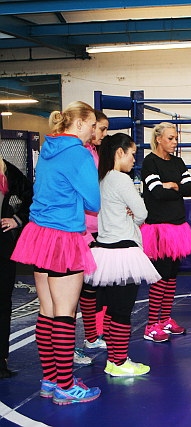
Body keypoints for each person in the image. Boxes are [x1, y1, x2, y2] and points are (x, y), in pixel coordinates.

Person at [11, 101, 102, 404]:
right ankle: (65, 385)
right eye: (91, 126)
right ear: (79, 124)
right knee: (65, 314)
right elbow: (93, 201)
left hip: (38, 234)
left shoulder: (49, 147)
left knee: (47, 312)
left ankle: (50, 380)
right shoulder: (79, 153)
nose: (93, 132)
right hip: (63, 235)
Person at [85, 133, 159, 377]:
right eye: (132, 154)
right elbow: (142, 212)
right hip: (123, 251)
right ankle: (118, 362)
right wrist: (133, 216)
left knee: (112, 307)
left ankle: (113, 360)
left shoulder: (103, 178)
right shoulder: (121, 179)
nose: (133, 159)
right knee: (122, 311)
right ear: (120, 152)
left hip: (105, 251)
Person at [141, 122, 191, 342]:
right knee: (160, 277)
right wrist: (174, 188)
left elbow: (190, 189)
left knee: (171, 276)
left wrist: (172, 186)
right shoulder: (149, 163)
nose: (174, 142)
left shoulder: (178, 162)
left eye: (175, 138)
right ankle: (151, 324)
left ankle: (164, 318)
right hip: (158, 228)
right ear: (158, 139)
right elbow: (156, 193)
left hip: (177, 226)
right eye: (170, 138)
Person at [77, 110, 109, 362]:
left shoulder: (95, 152)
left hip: (96, 224)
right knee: (82, 287)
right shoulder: (81, 153)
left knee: (93, 285)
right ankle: (88, 337)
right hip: (80, 229)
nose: (102, 134)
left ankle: (92, 335)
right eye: (100, 128)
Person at [0, 156, 33, 378]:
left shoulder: (7, 170)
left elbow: (32, 196)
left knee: (2, 300)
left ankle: (1, 360)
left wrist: (17, 219)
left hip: (1, 245)